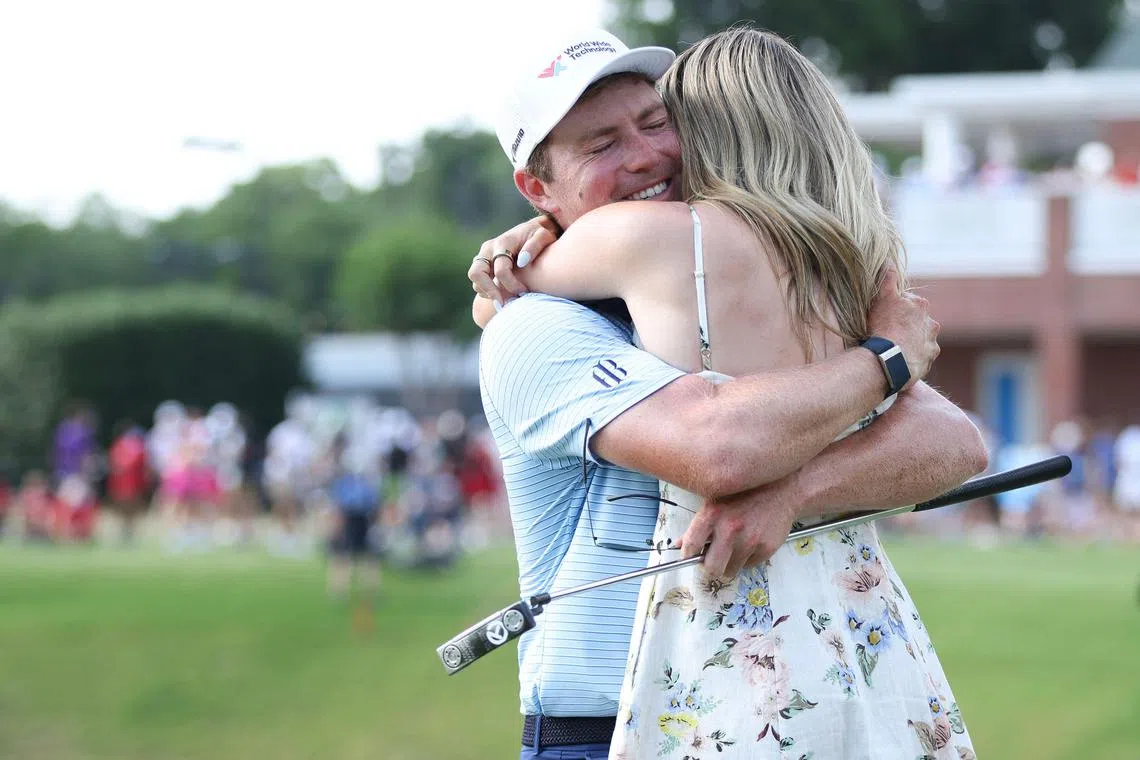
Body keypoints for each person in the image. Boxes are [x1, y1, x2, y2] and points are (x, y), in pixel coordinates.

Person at [471, 28, 987, 760]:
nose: (647, 155)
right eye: (601, 145)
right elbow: (721, 447)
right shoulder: (538, 329)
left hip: (766, 700)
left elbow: (953, 441)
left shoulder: (725, 271)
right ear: (536, 189)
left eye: (656, 123)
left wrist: (797, 489)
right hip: (605, 730)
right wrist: (883, 360)